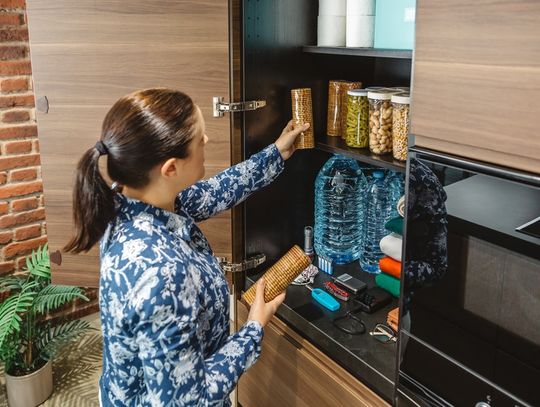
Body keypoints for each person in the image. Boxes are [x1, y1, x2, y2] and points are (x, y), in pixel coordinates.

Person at [64, 88, 310, 406]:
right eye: (199, 140)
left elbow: (215, 191)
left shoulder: (128, 199)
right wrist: (253, 329)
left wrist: (276, 153)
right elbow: (188, 399)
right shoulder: (160, 273)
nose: (206, 142)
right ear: (170, 168)